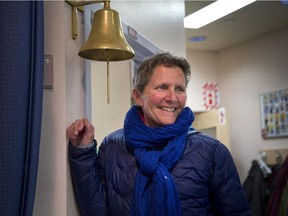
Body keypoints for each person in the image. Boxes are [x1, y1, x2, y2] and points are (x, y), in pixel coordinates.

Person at [67, 52, 251, 216]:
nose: (172, 97)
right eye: (162, 87)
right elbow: (95, 210)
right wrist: (83, 151)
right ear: (138, 96)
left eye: (179, 89)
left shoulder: (212, 152)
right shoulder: (113, 146)